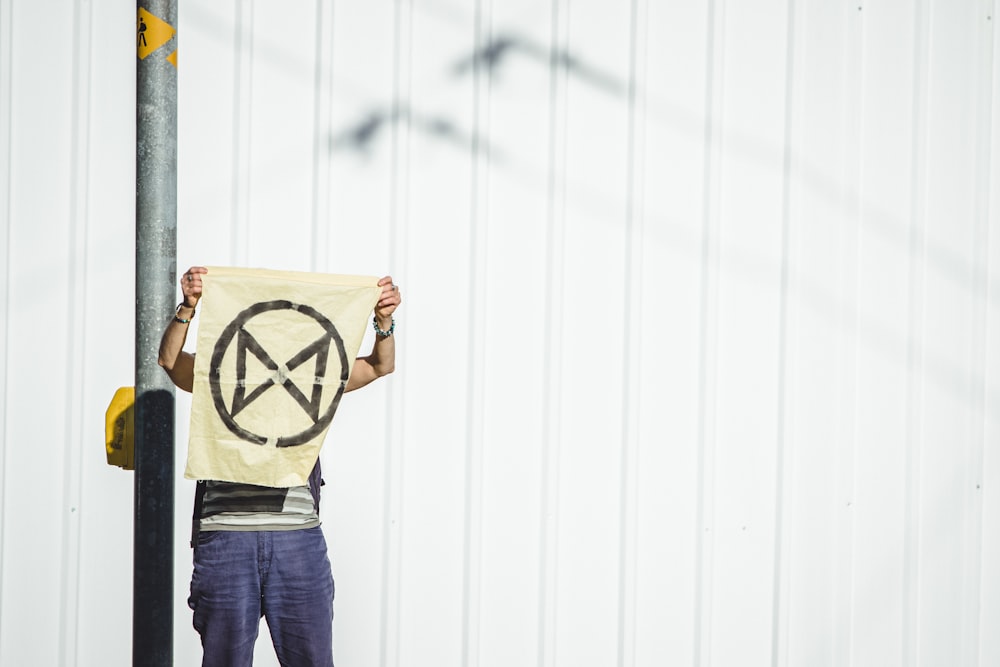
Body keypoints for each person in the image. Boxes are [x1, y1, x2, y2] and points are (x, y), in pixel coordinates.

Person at [157, 265, 401, 667]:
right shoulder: (218, 373)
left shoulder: (312, 378)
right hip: (226, 539)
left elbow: (378, 366)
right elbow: (169, 360)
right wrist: (189, 307)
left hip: (298, 539)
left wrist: (384, 322)